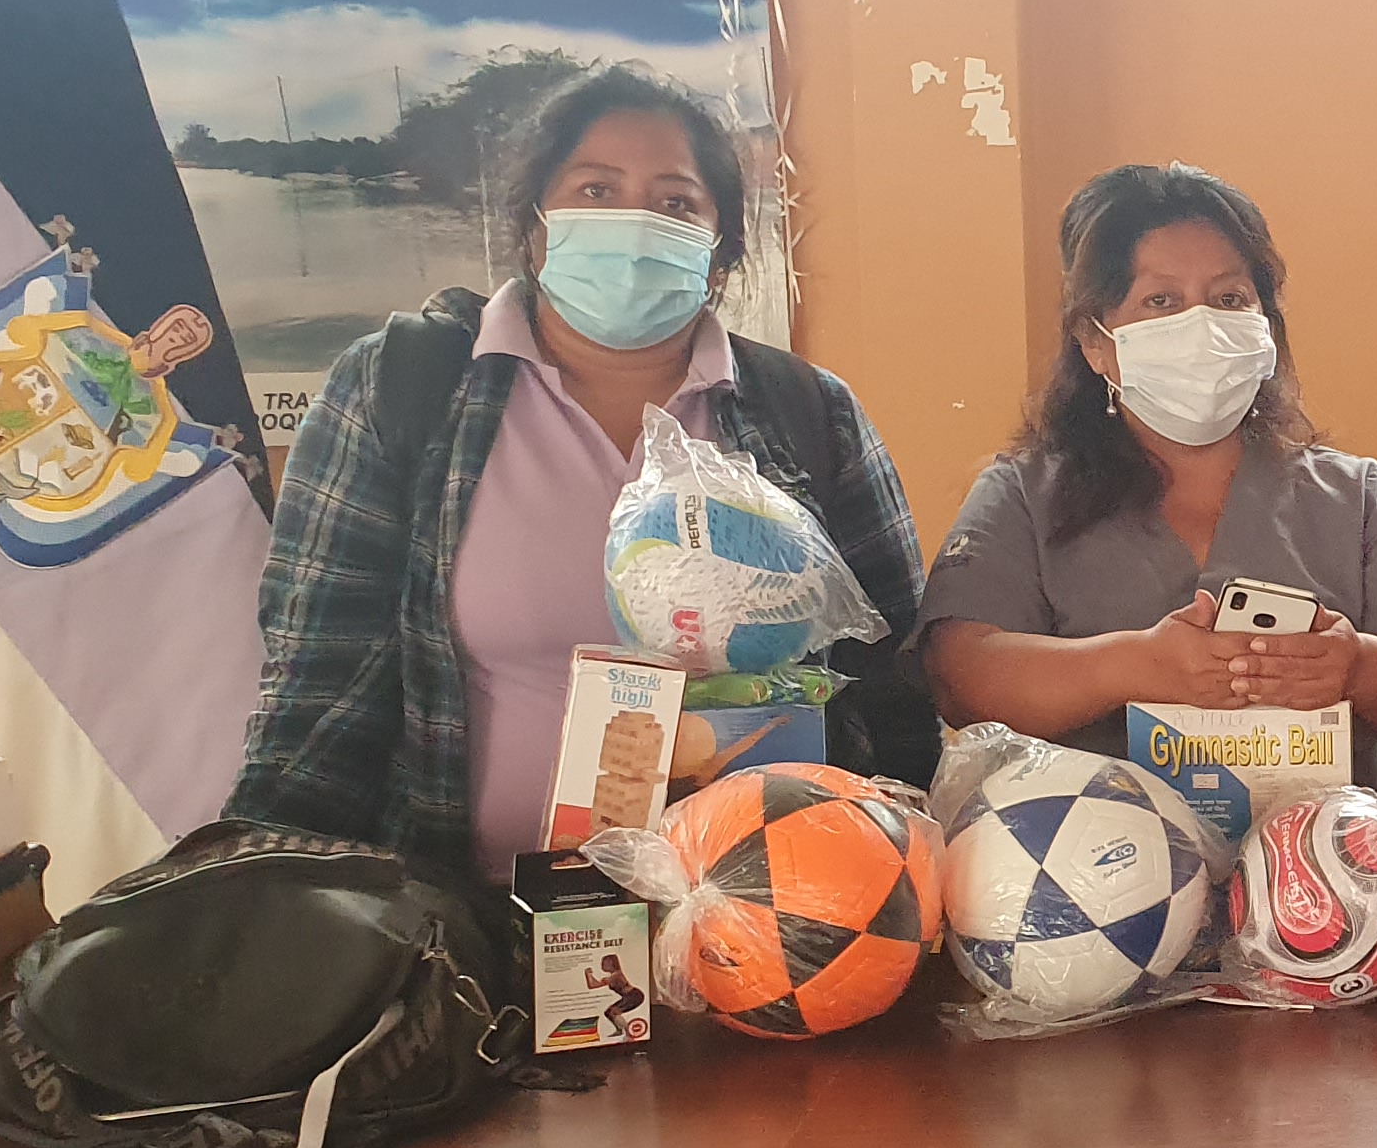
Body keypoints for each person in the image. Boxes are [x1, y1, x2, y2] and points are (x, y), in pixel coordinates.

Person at [231, 64, 927, 880]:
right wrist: (260, 882)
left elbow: (895, 679)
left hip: (768, 913)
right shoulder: (404, 387)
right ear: (535, 228)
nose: (634, 223)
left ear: (720, 252)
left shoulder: (807, 410)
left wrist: (912, 869)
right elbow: (316, 685)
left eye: (676, 203)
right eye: (596, 190)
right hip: (461, 917)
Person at [920, 163, 1377, 812]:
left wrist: (1359, 667)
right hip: (1096, 864)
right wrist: (1136, 666)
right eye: (1161, 301)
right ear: (1095, 342)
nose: (1203, 324)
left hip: (1336, 864)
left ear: (1266, 327)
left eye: (1230, 299)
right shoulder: (1022, 496)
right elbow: (961, 674)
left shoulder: (1358, 497)